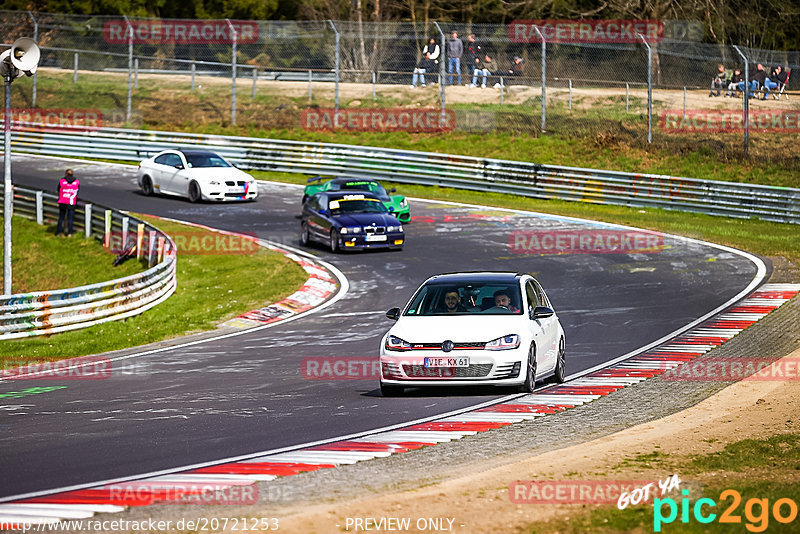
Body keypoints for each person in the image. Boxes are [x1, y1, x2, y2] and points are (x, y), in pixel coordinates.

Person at [56, 169, 80, 236]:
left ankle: (59, 232)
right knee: (70, 218)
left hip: (63, 201)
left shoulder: (62, 181)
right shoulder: (76, 182)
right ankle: (70, 233)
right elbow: (77, 190)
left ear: (66, 174)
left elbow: (58, 189)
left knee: (61, 217)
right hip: (71, 202)